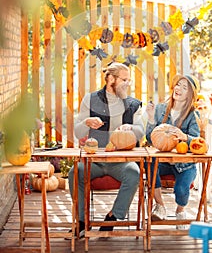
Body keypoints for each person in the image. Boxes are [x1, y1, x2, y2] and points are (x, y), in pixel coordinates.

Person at [68, 62, 144, 238]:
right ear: (110, 79)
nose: (128, 84)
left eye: (129, 80)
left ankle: (113, 216)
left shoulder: (132, 104)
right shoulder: (90, 99)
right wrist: (86, 123)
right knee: (74, 173)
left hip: (121, 161)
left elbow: (141, 131)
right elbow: (78, 131)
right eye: (124, 80)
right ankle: (81, 221)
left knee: (134, 173)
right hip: (95, 160)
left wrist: (130, 127)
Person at [145, 74, 200, 228]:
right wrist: (150, 119)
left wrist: (185, 137)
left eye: (185, 88)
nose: (179, 89)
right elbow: (151, 140)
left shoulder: (193, 115)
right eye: (178, 85)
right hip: (163, 162)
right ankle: (160, 206)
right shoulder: (161, 109)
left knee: (181, 190)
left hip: (185, 165)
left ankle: (180, 211)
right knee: (149, 165)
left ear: (190, 95)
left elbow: (197, 142)